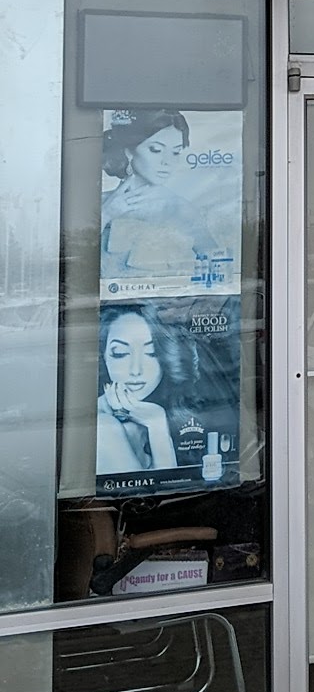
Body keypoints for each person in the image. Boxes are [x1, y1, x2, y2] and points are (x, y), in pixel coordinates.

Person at [100, 109, 221, 283]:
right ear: (129, 150)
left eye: (176, 152)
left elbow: (218, 268)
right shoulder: (103, 203)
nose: (167, 162)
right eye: (156, 150)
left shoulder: (180, 209)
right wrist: (106, 214)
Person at [96, 305, 199, 476]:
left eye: (151, 353)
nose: (136, 370)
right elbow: (166, 488)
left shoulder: (167, 410)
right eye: (120, 353)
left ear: (166, 357)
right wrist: (158, 427)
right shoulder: (104, 427)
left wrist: (156, 422)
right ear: (104, 356)